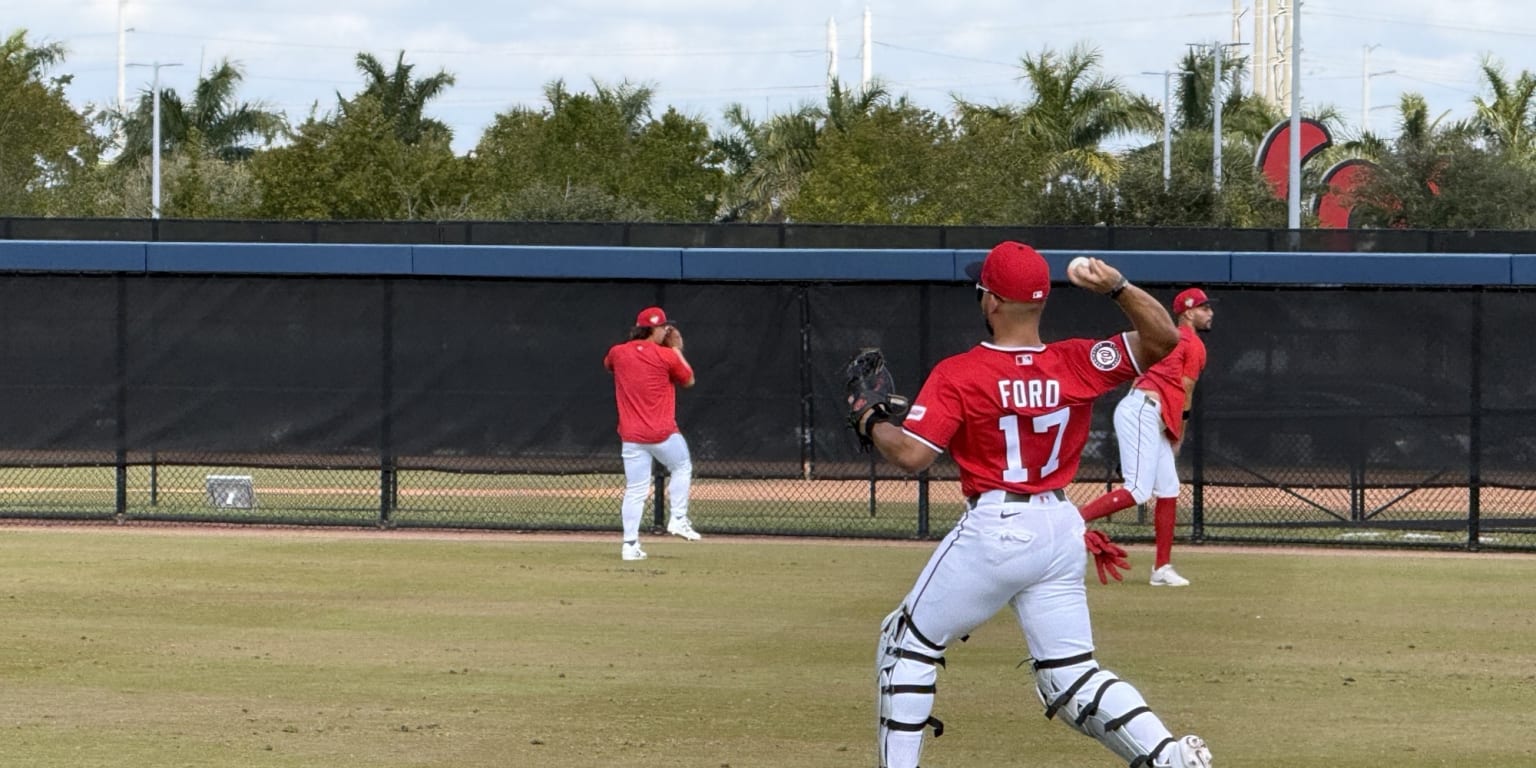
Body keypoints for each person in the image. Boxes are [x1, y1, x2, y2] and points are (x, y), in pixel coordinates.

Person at [854, 242, 1214, 768]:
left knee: (905, 646)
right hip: (1060, 527)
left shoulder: (961, 372)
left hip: (998, 527)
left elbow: (911, 455)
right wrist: (1117, 287)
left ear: (991, 302)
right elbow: (1165, 339)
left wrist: (871, 421)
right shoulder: (1078, 360)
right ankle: (1169, 757)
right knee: (1071, 673)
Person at [1078, 287, 1214, 587]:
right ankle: (1071, 521)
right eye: (1204, 308)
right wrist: (1180, 431)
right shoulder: (1191, 342)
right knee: (1138, 489)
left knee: (1168, 488)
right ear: (1188, 313)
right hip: (1143, 410)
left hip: (1147, 411)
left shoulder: (1165, 340)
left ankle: (1161, 568)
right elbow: (1185, 389)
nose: (1210, 313)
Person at [602, 306, 701, 561]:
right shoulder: (666, 355)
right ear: (653, 329)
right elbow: (689, 379)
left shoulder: (618, 352)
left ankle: (629, 545)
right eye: (663, 327)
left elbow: (610, 364)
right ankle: (678, 518)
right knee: (681, 466)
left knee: (635, 489)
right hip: (662, 433)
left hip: (632, 436)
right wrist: (676, 348)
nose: (667, 331)